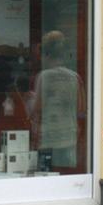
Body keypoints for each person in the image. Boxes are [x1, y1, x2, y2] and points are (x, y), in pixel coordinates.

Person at [29, 30, 87, 171]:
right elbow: (81, 108)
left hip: (48, 139)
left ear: (46, 55)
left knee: (46, 178)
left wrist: (29, 99)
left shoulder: (44, 77)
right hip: (69, 138)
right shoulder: (75, 77)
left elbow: (36, 109)